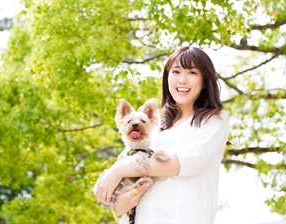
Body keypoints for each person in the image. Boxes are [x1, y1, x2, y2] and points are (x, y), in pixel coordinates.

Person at [94, 46, 230, 224]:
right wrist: (118, 204)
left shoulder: (214, 119)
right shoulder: (154, 130)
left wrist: (117, 171)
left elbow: (186, 161)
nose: (182, 80)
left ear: (205, 80)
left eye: (192, 72)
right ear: (167, 78)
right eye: (176, 71)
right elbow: (120, 196)